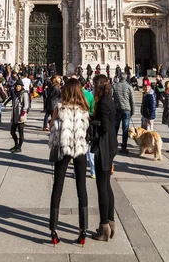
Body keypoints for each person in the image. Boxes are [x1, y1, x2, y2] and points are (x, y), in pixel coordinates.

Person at [48, 78, 90, 246]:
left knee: (57, 187)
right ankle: (83, 230)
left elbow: (51, 127)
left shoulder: (59, 108)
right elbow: (86, 130)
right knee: (82, 188)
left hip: (63, 149)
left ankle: (53, 230)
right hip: (79, 149)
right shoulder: (84, 109)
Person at [91, 74, 117, 242]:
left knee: (101, 186)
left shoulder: (103, 102)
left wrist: (91, 121)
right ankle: (110, 222)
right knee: (106, 185)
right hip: (110, 144)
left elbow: (105, 126)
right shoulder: (109, 99)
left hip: (104, 146)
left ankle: (103, 227)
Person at [112, 72, 135, 154]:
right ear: (126, 78)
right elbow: (132, 100)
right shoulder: (129, 87)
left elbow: (111, 97)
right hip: (126, 110)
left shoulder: (115, 86)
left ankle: (113, 145)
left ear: (119, 77)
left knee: (115, 128)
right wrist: (133, 111)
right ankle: (124, 146)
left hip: (117, 109)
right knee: (125, 129)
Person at [5, 79, 29, 153]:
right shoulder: (15, 93)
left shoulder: (24, 93)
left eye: (19, 86)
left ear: (21, 86)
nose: (17, 87)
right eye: (16, 86)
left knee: (20, 132)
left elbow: (26, 105)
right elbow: (10, 99)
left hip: (21, 115)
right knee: (12, 132)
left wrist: (22, 114)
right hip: (15, 115)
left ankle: (19, 147)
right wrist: (4, 103)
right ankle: (16, 144)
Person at [79, 76, 95, 178]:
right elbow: (93, 110)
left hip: (77, 122)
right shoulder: (89, 94)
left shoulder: (75, 95)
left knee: (79, 147)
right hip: (87, 121)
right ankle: (93, 171)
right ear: (85, 85)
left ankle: (78, 171)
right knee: (89, 147)